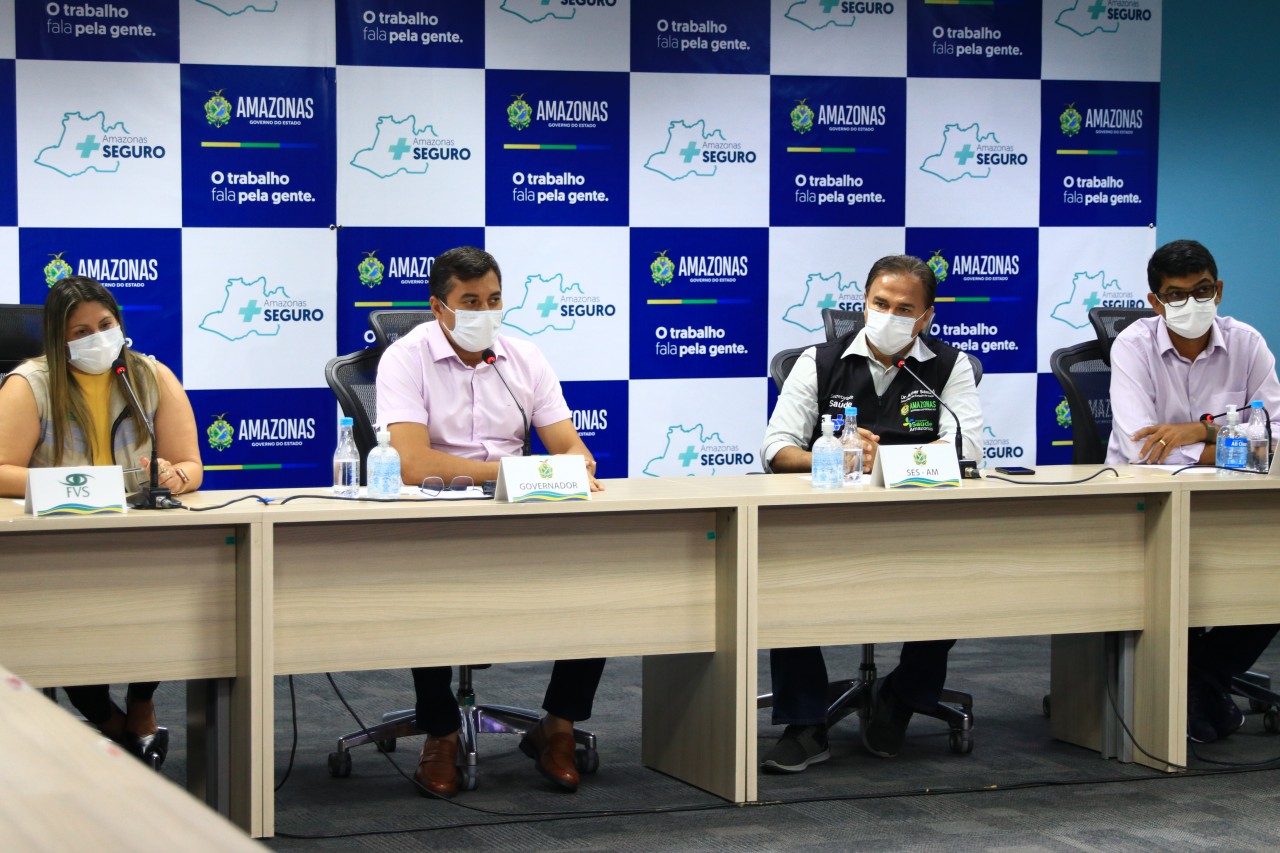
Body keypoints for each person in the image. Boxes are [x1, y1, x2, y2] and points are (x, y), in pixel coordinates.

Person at [375, 246, 605, 798]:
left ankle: (558, 725)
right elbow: (412, 463)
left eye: (494, 299)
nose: (486, 312)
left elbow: (571, 448)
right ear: (439, 307)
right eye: (470, 301)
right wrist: (508, 471)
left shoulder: (524, 358)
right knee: (425, 588)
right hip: (435, 515)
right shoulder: (405, 359)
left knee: (598, 575)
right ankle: (441, 732)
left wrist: (576, 465)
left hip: (514, 512)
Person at [759, 254, 983, 772]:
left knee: (960, 576)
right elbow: (776, 450)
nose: (889, 315)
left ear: (926, 317)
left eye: (904, 309)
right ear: (864, 304)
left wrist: (890, 460)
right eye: (880, 303)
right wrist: (835, 456)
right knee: (781, 575)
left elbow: (966, 451)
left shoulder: (949, 367)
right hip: (825, 521)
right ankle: (806, 723)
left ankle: (901, 697)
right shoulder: (817, 361)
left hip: (917, 520)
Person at [0, 276, 204, 766]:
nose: (98, 337)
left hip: (138, 542)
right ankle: (118, 727)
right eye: (81, 332)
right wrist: (86, 486)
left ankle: (140, 704)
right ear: (58, 338)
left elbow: (190, 465)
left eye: (106, 324)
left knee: (167, 597)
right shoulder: (30, 384)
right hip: (58, 544)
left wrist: (172, 478)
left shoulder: (150, 377)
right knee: (75, 639)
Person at [1107, 238, 1280, 743]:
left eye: (1202, 291)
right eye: (1176, 295)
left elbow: (1275, 436)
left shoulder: (1246, 342)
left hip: (1230, 504)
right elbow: (1142, 448)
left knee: (1271, 577)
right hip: (1144, 506)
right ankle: (1203, 683)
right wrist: (1235, 444)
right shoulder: (1133, 346)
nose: (1192, 303)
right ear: (1155, 301)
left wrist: (1197, 431)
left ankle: (1201, 678)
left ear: (1218, 290)